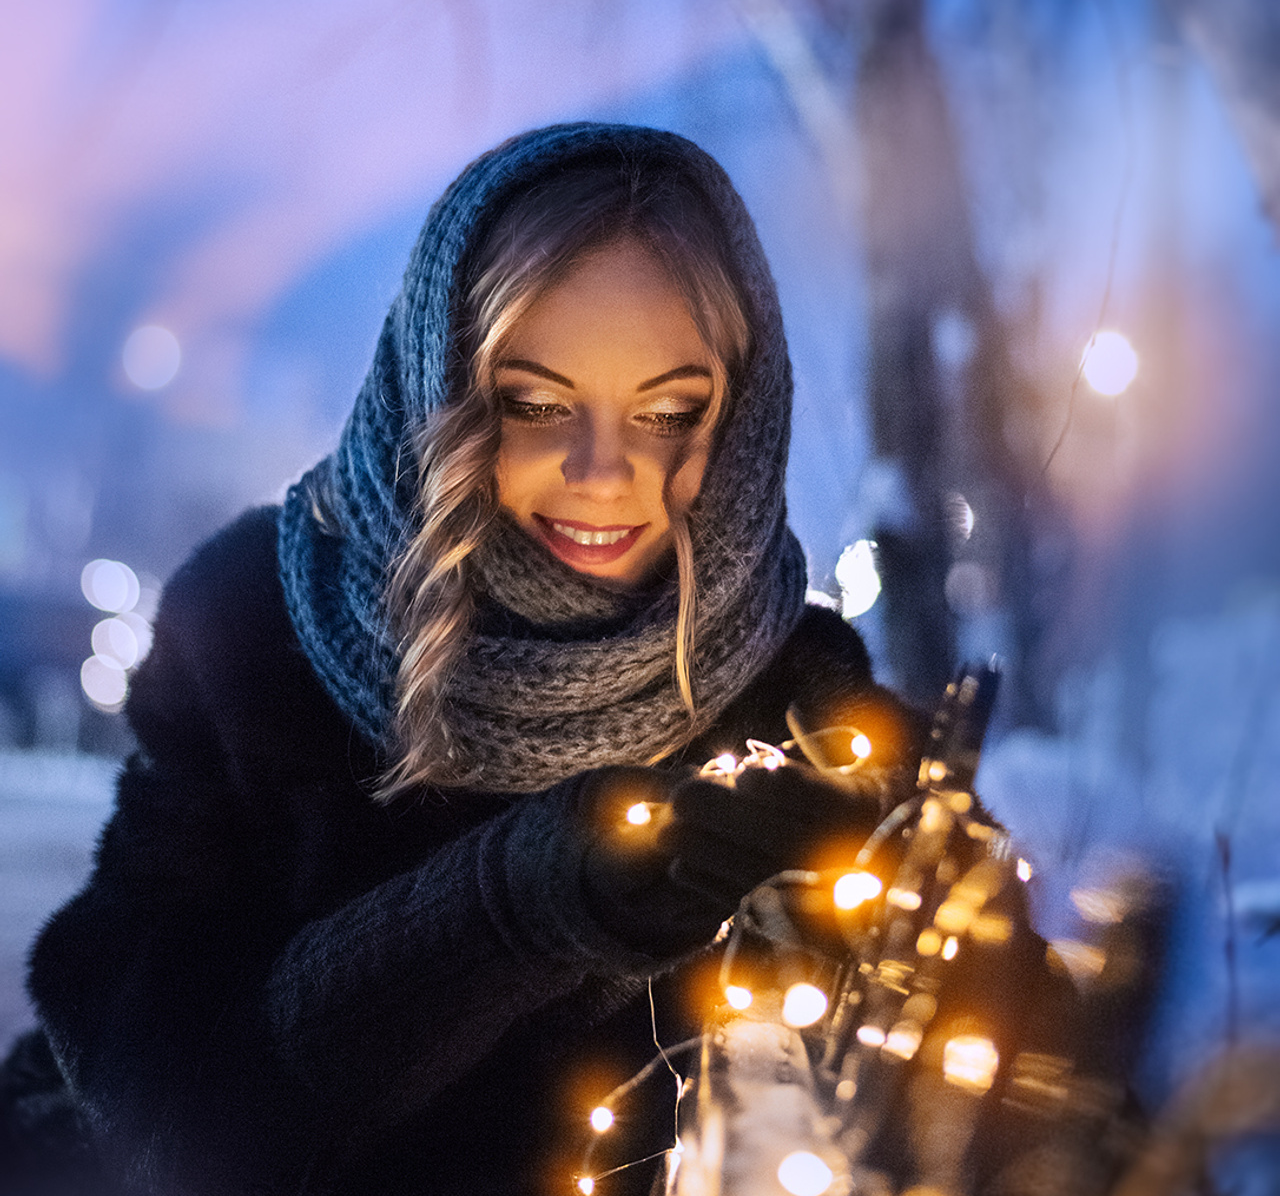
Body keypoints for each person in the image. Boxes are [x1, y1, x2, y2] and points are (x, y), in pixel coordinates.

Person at [2, 123, 983, 1196]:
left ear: (742, 410)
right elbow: (182, 1121)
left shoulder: (794, 702)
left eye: (669, 411)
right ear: (444, 389)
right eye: (534, 402)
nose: (603, 472)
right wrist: (517, 903)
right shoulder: (253, 633)